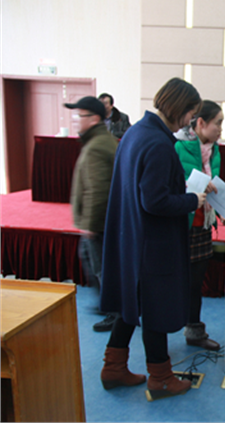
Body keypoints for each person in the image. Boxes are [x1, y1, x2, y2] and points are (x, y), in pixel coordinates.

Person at [99, 78, 207, 400]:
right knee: (155, 309)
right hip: (154, 241)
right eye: (190, 114)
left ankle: (113, 367)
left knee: (132, 304)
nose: (189, 122)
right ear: (179, 109)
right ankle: (160, 378)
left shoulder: (135, 132)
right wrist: (192, 200)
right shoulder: (159, 144)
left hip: (132, 237)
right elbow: (155, 201)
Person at [65, 96, 119, 332]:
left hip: (99, 223)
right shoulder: (99, 141)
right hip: (101, 221)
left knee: (102, 269)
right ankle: (106, 305)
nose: (76, 120)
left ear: (94, 118)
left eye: (80, 115)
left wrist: (90, 224)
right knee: (92, 261)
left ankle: (114, 313)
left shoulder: (97, 145)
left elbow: (98, 189)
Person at [174, 100, 224, 351]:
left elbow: (215, 183)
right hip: (182, 223)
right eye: (218, 123)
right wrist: (196, 185)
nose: (221, 129)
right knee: (177, 282)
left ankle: (194, 330)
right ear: (201, 123)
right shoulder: (178, 146)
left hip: (203, 223)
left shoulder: (214, 150)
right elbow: (173, 184)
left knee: (196, 282)